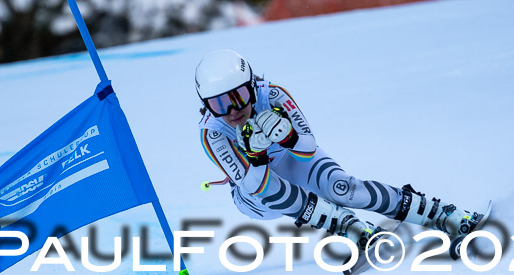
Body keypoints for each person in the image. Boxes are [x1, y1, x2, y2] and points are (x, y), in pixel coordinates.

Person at [196, 49, 484, 250]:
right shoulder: (213, 133)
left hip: (294, 161)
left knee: (344, 189)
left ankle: (445, 215)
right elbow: (253, 186)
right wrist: (256, 157)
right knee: (271, 191)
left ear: (252, 86)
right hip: (256, 196)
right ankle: (348, 226)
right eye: (219, 104)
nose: (233, 110)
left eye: (240, 96)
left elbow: (308, 148)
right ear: (206, 105)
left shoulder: (272, 95)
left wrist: (289, 139)